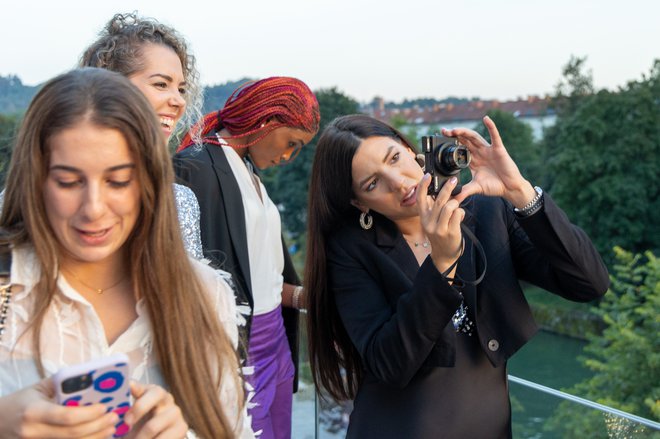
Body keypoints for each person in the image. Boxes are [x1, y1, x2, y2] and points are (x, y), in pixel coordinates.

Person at [304, 114, 610, 438]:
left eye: (394, 158)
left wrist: (520, 192)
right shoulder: (351, 251)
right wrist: (442, 263)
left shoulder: (483, 209)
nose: (398, 181)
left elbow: (589, 282)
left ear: (411, 150)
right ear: (359, 203)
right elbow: (389, 363)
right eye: (372, 183)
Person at [0, 68, 253, 438]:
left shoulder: (204, 294)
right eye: (69, 182)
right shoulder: (9, 286)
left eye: (118, 181)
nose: (94, 208)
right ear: (36, 179)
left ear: (149, 180)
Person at [174, 77, 320, 439]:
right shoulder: (194, 168)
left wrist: (306, 298)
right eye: (291, 143)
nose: (289, 156)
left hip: (276, 340)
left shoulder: (249, 170)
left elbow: (261, 274)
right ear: (265, 121)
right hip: (238, 346)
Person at [80, 12, 206, 259]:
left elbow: (193, 294)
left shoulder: (180, 202)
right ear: (110, 87)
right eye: (161, 84)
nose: (179, 100)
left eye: (181, 88)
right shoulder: (45, 192)